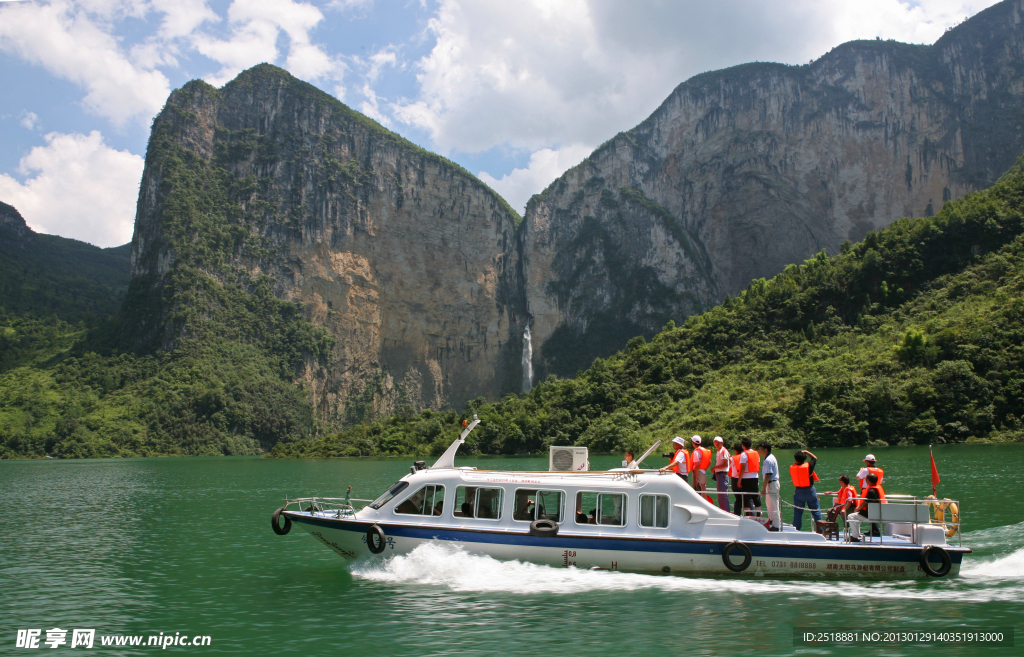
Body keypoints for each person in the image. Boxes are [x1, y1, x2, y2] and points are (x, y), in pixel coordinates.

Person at [789, 450, 823, 531]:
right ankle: (821, 530)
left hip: (798, 492)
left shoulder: (792, 467)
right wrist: (807, 452)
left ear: (795, 459)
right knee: (816, 512)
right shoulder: (809, 465)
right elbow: (814, 458)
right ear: (804, 458)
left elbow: (797, 463)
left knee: (798, 513)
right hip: (810, 491)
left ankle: (796, 531)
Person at [846, 473, 883, 541]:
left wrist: (857, 509)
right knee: (856, 517)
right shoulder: (877, 489)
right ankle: (857, 535)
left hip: (870, 515)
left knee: (851, 516)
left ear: (868, 480)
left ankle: (855, 536)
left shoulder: (872, 491)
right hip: (879, 513)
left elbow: (865, 502)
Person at [758, 442, 781, 531]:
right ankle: (771, 521)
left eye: (761, 449)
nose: (760, 451)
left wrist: (763, 488)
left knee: (774, 505)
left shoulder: (768, 460)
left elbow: (768, 474)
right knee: (769, 504)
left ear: (766, 449)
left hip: (771, 483)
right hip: (770, 484)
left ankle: (776, 525)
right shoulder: (769, 458)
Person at [738, 437, 762, 518]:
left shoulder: (744, 454)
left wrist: (739, 480)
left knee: (746, 497)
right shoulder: (756, 453)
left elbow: (743, 468)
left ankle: (748, 515)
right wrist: (758, 477)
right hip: (755, 477)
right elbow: (758, 466)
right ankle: (759, 514)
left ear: (743, 445)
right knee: (756, 496)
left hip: (746, 478)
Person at [712, 436, 730, 512]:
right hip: (720, 474)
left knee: (722, 495)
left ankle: (725, 511)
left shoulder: (723, 451)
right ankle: (723, 510)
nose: (717, 443)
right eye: (715, 442)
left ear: (722, 443)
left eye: (718, 442)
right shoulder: (719, 451)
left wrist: (714, 468)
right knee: (721, 495)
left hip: (722, 474)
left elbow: (725, 464)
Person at [730, 444, 744, 516]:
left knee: (738, 499)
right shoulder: (745, 457)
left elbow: (728, 466)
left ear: (735, 450)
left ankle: (737, 515)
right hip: (745, 479)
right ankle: (751, 514)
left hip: (735, 480)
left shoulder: (733, 458)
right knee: (747, 499)